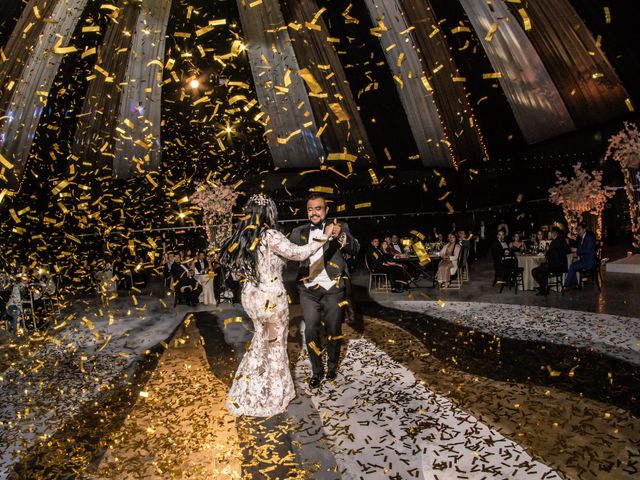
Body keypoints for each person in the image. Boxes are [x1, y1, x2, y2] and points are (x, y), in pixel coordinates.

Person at [222, 193, 330, 416]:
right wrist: (324, 237)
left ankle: (249, 388)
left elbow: (234, 270)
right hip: (270, 299)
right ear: (269, 212)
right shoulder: (270, 235)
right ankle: (272, 396)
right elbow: (298, 253)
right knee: (274, 347)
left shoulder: (243, 235)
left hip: (251, 296)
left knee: (260, 341)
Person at [290, 193, 360, 388]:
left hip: (333, 289)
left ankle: (331, 367)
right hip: (308, 291)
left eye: (318, 208)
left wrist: (341, 236)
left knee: (333, 330)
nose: (313, 212)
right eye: (310, 209)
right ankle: (316, 372)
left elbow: (355, 249)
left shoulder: (340, 227)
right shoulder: (298, 232)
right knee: (311, 330)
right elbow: (287, 254)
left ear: (326, 210)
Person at [532, 227, 570, 295]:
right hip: (562, 265)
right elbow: (567, 251)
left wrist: (547, 251)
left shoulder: (554, 242)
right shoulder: (562, 240)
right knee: (542, 267)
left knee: (534, 271)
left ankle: (544, 287)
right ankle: (544, 288)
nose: (550, 234)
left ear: (554, 233)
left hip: (555, 266)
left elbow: (548, 256)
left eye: (551, 233)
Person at [564, 223, 597, 289]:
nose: (578, 231)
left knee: (573, 266)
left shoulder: (589, 238)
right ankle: (575, 283)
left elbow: (587, 250)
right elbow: (581, 248)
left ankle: (566, 286)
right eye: (578, 230)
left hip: (589, 262)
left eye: (580, 230)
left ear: (584, 230)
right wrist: (576, 251)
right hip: (586, 259)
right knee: (573, 265)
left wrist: (576, 250)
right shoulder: (583, 237)